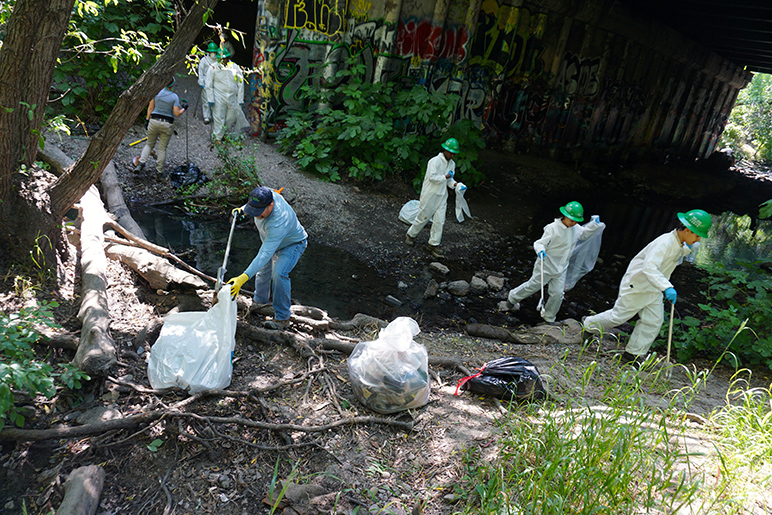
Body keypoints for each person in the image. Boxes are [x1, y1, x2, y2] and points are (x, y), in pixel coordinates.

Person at [582, 209, 712, 363]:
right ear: (687, 230)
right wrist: (667, 287)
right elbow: (649, 267)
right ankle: (588, 325)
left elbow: (674, 255)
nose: (698, 240)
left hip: (654, 289)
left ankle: (632, 355)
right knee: (618, 317)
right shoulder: (664, 242)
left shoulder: (678, 242)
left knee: (653, 321)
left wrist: (686, 250)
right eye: (697, 235)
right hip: (637, 286)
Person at [506, 202, 604, 325]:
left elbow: (583, 234)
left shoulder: (576, 228)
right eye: (572, 219)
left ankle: (549, 317)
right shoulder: (552, 228)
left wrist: (594, 225)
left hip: (561, 268)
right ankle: (513, 297)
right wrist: (540, 251)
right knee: (533, 286)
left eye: (576, 220)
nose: (574, 222)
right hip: (545, 265)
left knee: (557, 293)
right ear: (564, 215)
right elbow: (540, 243)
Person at [227, 187, 308, 330]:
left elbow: (264, 254)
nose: (256, 216)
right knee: (263, 271)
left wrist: (242, 278)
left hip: (292, 244)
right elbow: (257, 201)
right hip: (270, 242)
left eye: (258, 212)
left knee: (279, 273)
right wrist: (242, 209)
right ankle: (259, 303)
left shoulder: (278, 221)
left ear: (271, 205)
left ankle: (282, 319)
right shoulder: (265, 195)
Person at [405, 138, 466, 258]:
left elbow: (449, 180)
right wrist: (446, 177)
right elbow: (433, 177)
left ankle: (434, 243)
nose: (452, 155)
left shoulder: (452, 164)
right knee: (423, 217)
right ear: (445, 150)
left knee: (440, 221)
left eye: (454, 153)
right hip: (430, 194)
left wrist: (455, 185)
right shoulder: (434, 161)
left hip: (442, 195)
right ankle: (410, 235)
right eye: (451, 153)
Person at [133, 78, 186, 176]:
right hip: (167, 124)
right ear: (173, 85)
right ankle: (159, 171)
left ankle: (141, 164)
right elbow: (176, 113)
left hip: (154, 121)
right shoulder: (174, 97)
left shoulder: (156, 93)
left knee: (149, 144)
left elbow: (150, 108)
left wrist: (147, 120)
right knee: (162, 148)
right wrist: (184, 108)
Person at [205, 48, 249, 142]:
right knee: (219, 117)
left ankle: (224, 133)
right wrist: (210, 98)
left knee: (230, 118)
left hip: (232, 97)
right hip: (218, 96)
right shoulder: (213, 67)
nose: (223, 60)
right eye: (221, 58)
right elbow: (208, 84)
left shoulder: (235, 67)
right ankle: (217, 138)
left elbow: (240, 84)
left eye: (224, 58)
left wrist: (240, 100)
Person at [198, 42, 219, 124]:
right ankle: (206, 116)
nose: (213, 54)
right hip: (206, 82)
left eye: (214, 52)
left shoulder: (219, 60)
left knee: (216, 100)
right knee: (205, 100)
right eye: (212, 52)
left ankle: (216, 116)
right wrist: (201, 82)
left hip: (216, 83)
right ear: (209, 52)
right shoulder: (204, 60)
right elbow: (200, 72)